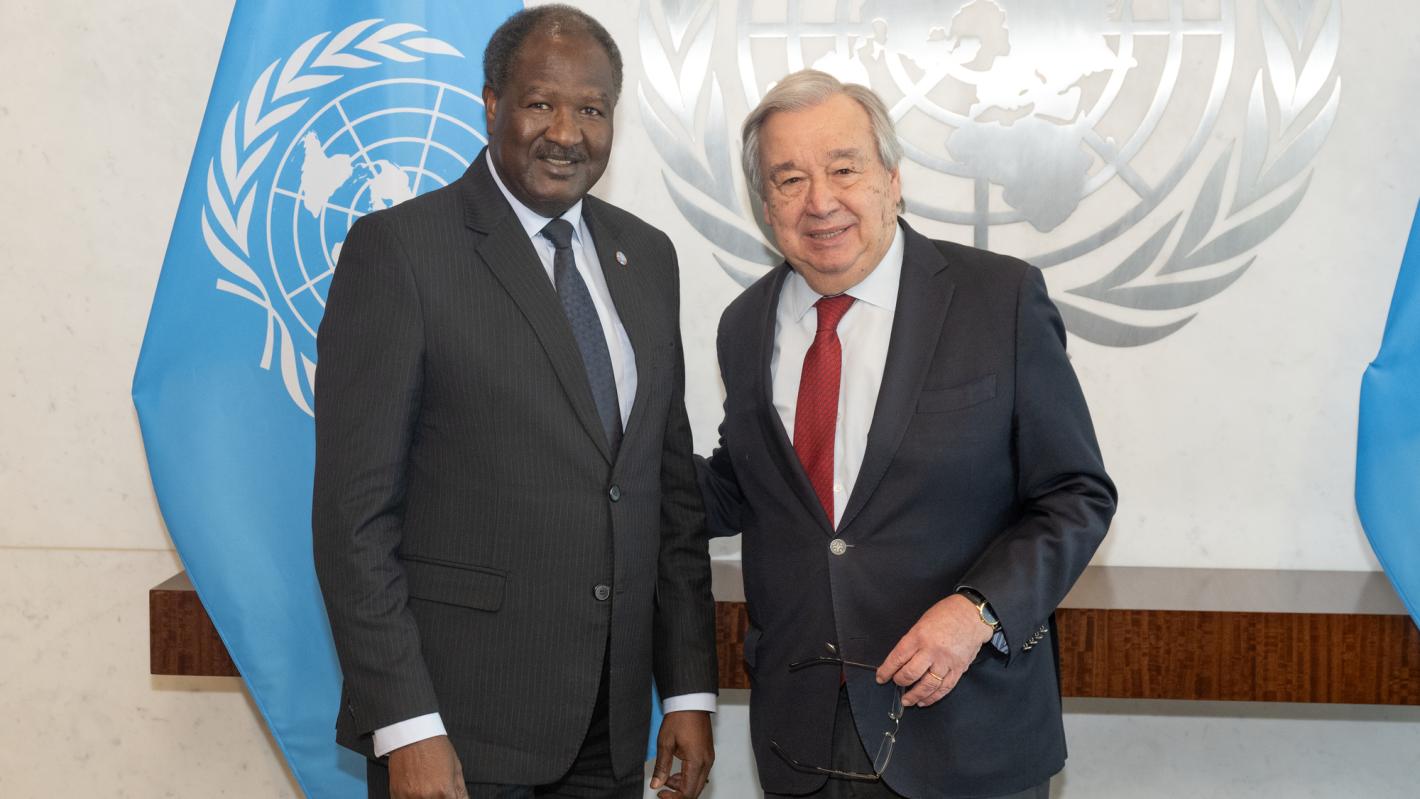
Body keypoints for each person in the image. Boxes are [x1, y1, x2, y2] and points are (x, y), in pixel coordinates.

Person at [312, 7, 717, 798]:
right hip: (460, 731)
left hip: (610, 726)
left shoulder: (648, 259)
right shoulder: (400, 251)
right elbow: (353, 521)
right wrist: (408, 726)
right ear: (492, 104)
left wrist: (689, 688)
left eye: (592, 109)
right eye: (540, 103)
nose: (566, 132)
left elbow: (665, 495)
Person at [697, 70, 1117, 799]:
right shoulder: (743, 326)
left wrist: (978, 609)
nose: (820, 200)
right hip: (802, 742)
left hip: (965, 729)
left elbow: (1076, 495)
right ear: (765, 207)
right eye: (789, 178)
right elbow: (751, 485)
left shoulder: (1000, 300)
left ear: (893, 179)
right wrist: (600, 461)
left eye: (844, 168)